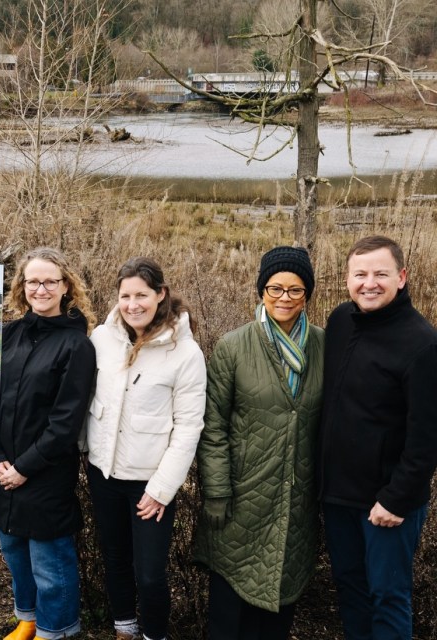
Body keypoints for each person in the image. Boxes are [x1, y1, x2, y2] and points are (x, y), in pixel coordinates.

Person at [194, 246, 324, 639]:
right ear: (261, 291)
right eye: (275, 288)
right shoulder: (233, 346)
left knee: (278, 611)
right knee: (229, 612)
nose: (285, 298)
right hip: (242, 498)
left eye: (295, 290)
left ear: (307, 294)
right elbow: (213, 425)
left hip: (297, 501)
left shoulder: (324, 345)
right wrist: (217, 490)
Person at [319, 235, 437, 640]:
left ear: (401, 277)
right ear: (347, 279)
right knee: (351, 589)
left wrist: (396, 499)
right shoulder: (340, 320)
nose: (369, 283)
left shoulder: (422, 344)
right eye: (360, 274)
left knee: (388, 597)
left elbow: (427, 437)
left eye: (381, 274)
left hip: (386, 503)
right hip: (338, 496)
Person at [0, 247, 96, 640]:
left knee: (50, 563)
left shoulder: (76, 346)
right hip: (4, 469)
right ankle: (27, 620)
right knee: (13, 550)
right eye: (32, 282)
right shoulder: (7, 335)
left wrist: (24, 468)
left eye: (49, 282)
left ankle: (54, 630)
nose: (40, 289)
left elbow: (65, 422)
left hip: (45, 473)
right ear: (21, 286)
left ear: (66, 287)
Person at [84, 257, 206, 640]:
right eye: (125, 296)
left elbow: (188, 427)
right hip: (103, 474)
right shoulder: (102, 339)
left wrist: (161, 489)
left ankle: (154, 634)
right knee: (115, 558)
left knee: (150, 573)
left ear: (161, 294)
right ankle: (124, 627)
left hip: (149, 485)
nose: (133, 304)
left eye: (142, 295)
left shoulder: (185, 354)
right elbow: (85, 397)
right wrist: (84, 451)